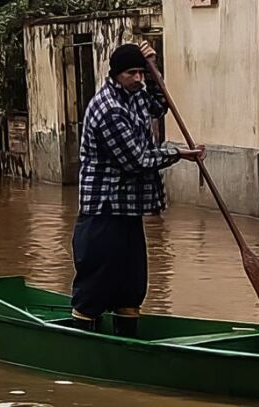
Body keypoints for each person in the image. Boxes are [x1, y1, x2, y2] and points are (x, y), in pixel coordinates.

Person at [71, 41, 205, 337]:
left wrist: (155, 68)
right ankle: (82, 340)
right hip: (103, 209)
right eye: (132, 73)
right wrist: (180, 154)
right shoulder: (108, 109)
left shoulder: (137, 94)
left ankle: (127, 340)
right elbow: (136, 160)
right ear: (117, 74)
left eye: (141, 73)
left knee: (132, 285)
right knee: (96, 282)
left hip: (129, 208)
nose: (138, 79)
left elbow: (160, 104)